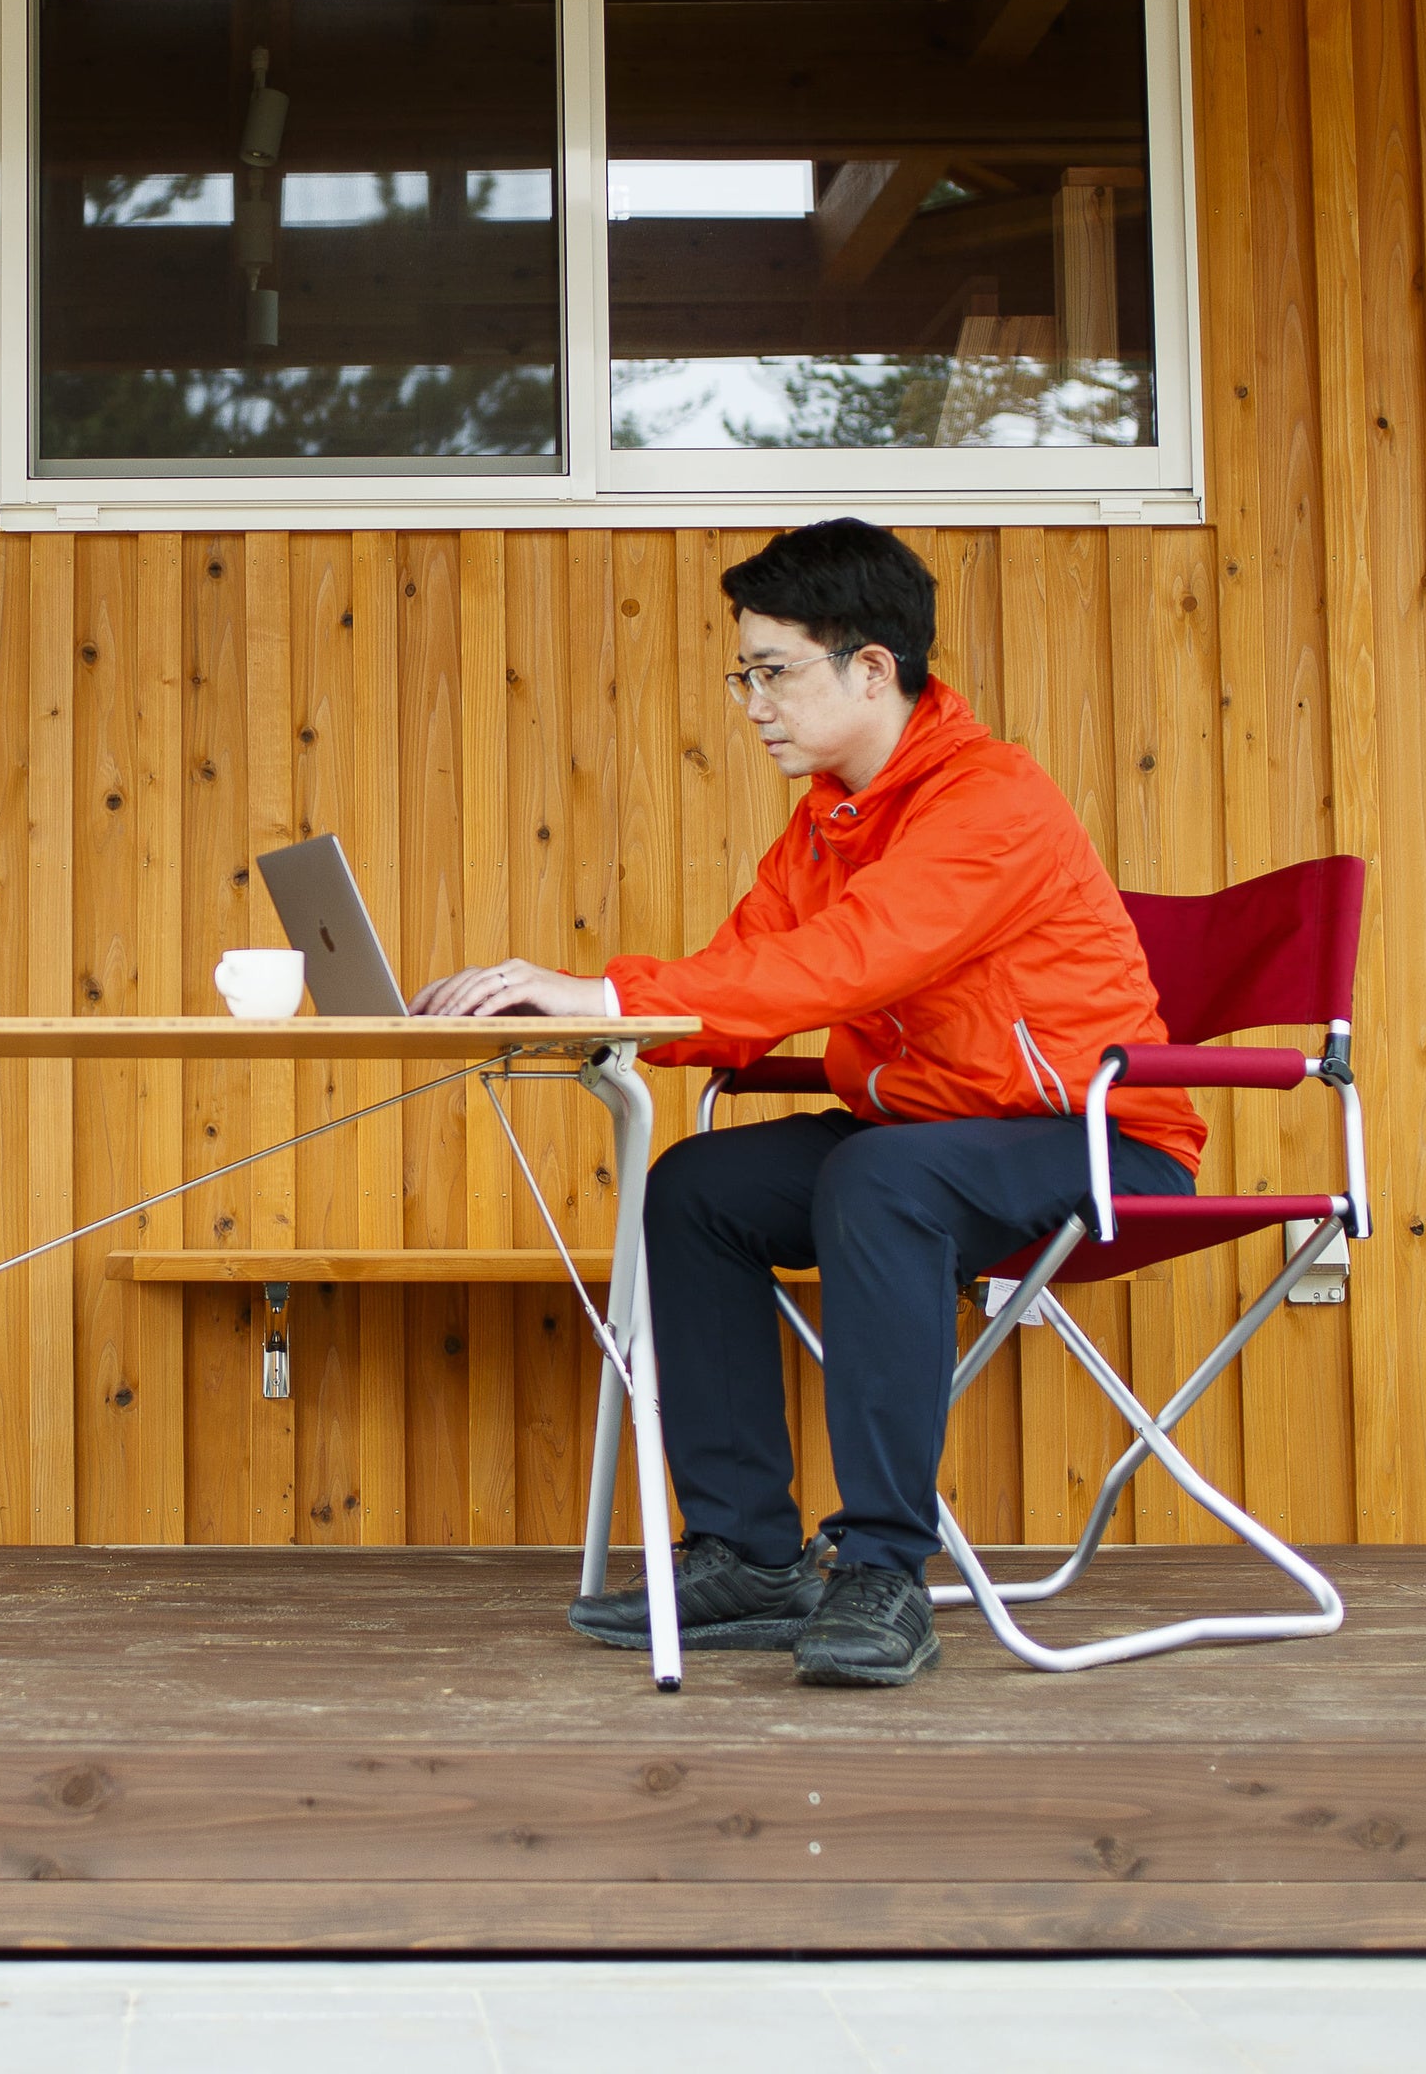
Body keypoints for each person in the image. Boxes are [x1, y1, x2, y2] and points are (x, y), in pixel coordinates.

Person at [411, 519, 1199, 1686]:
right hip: (926, 1138)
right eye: (744, 675)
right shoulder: (825, 822)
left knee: (879, 1176)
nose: (752, 703)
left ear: (872, 667)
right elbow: (743, 984)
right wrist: (574, 1012)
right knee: (699, 1186)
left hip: (1099, 1140)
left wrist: (609, 989)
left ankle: (884, 1567)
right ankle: (748, 1557)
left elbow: (846, 962)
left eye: (772, 671)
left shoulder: (993, 801)